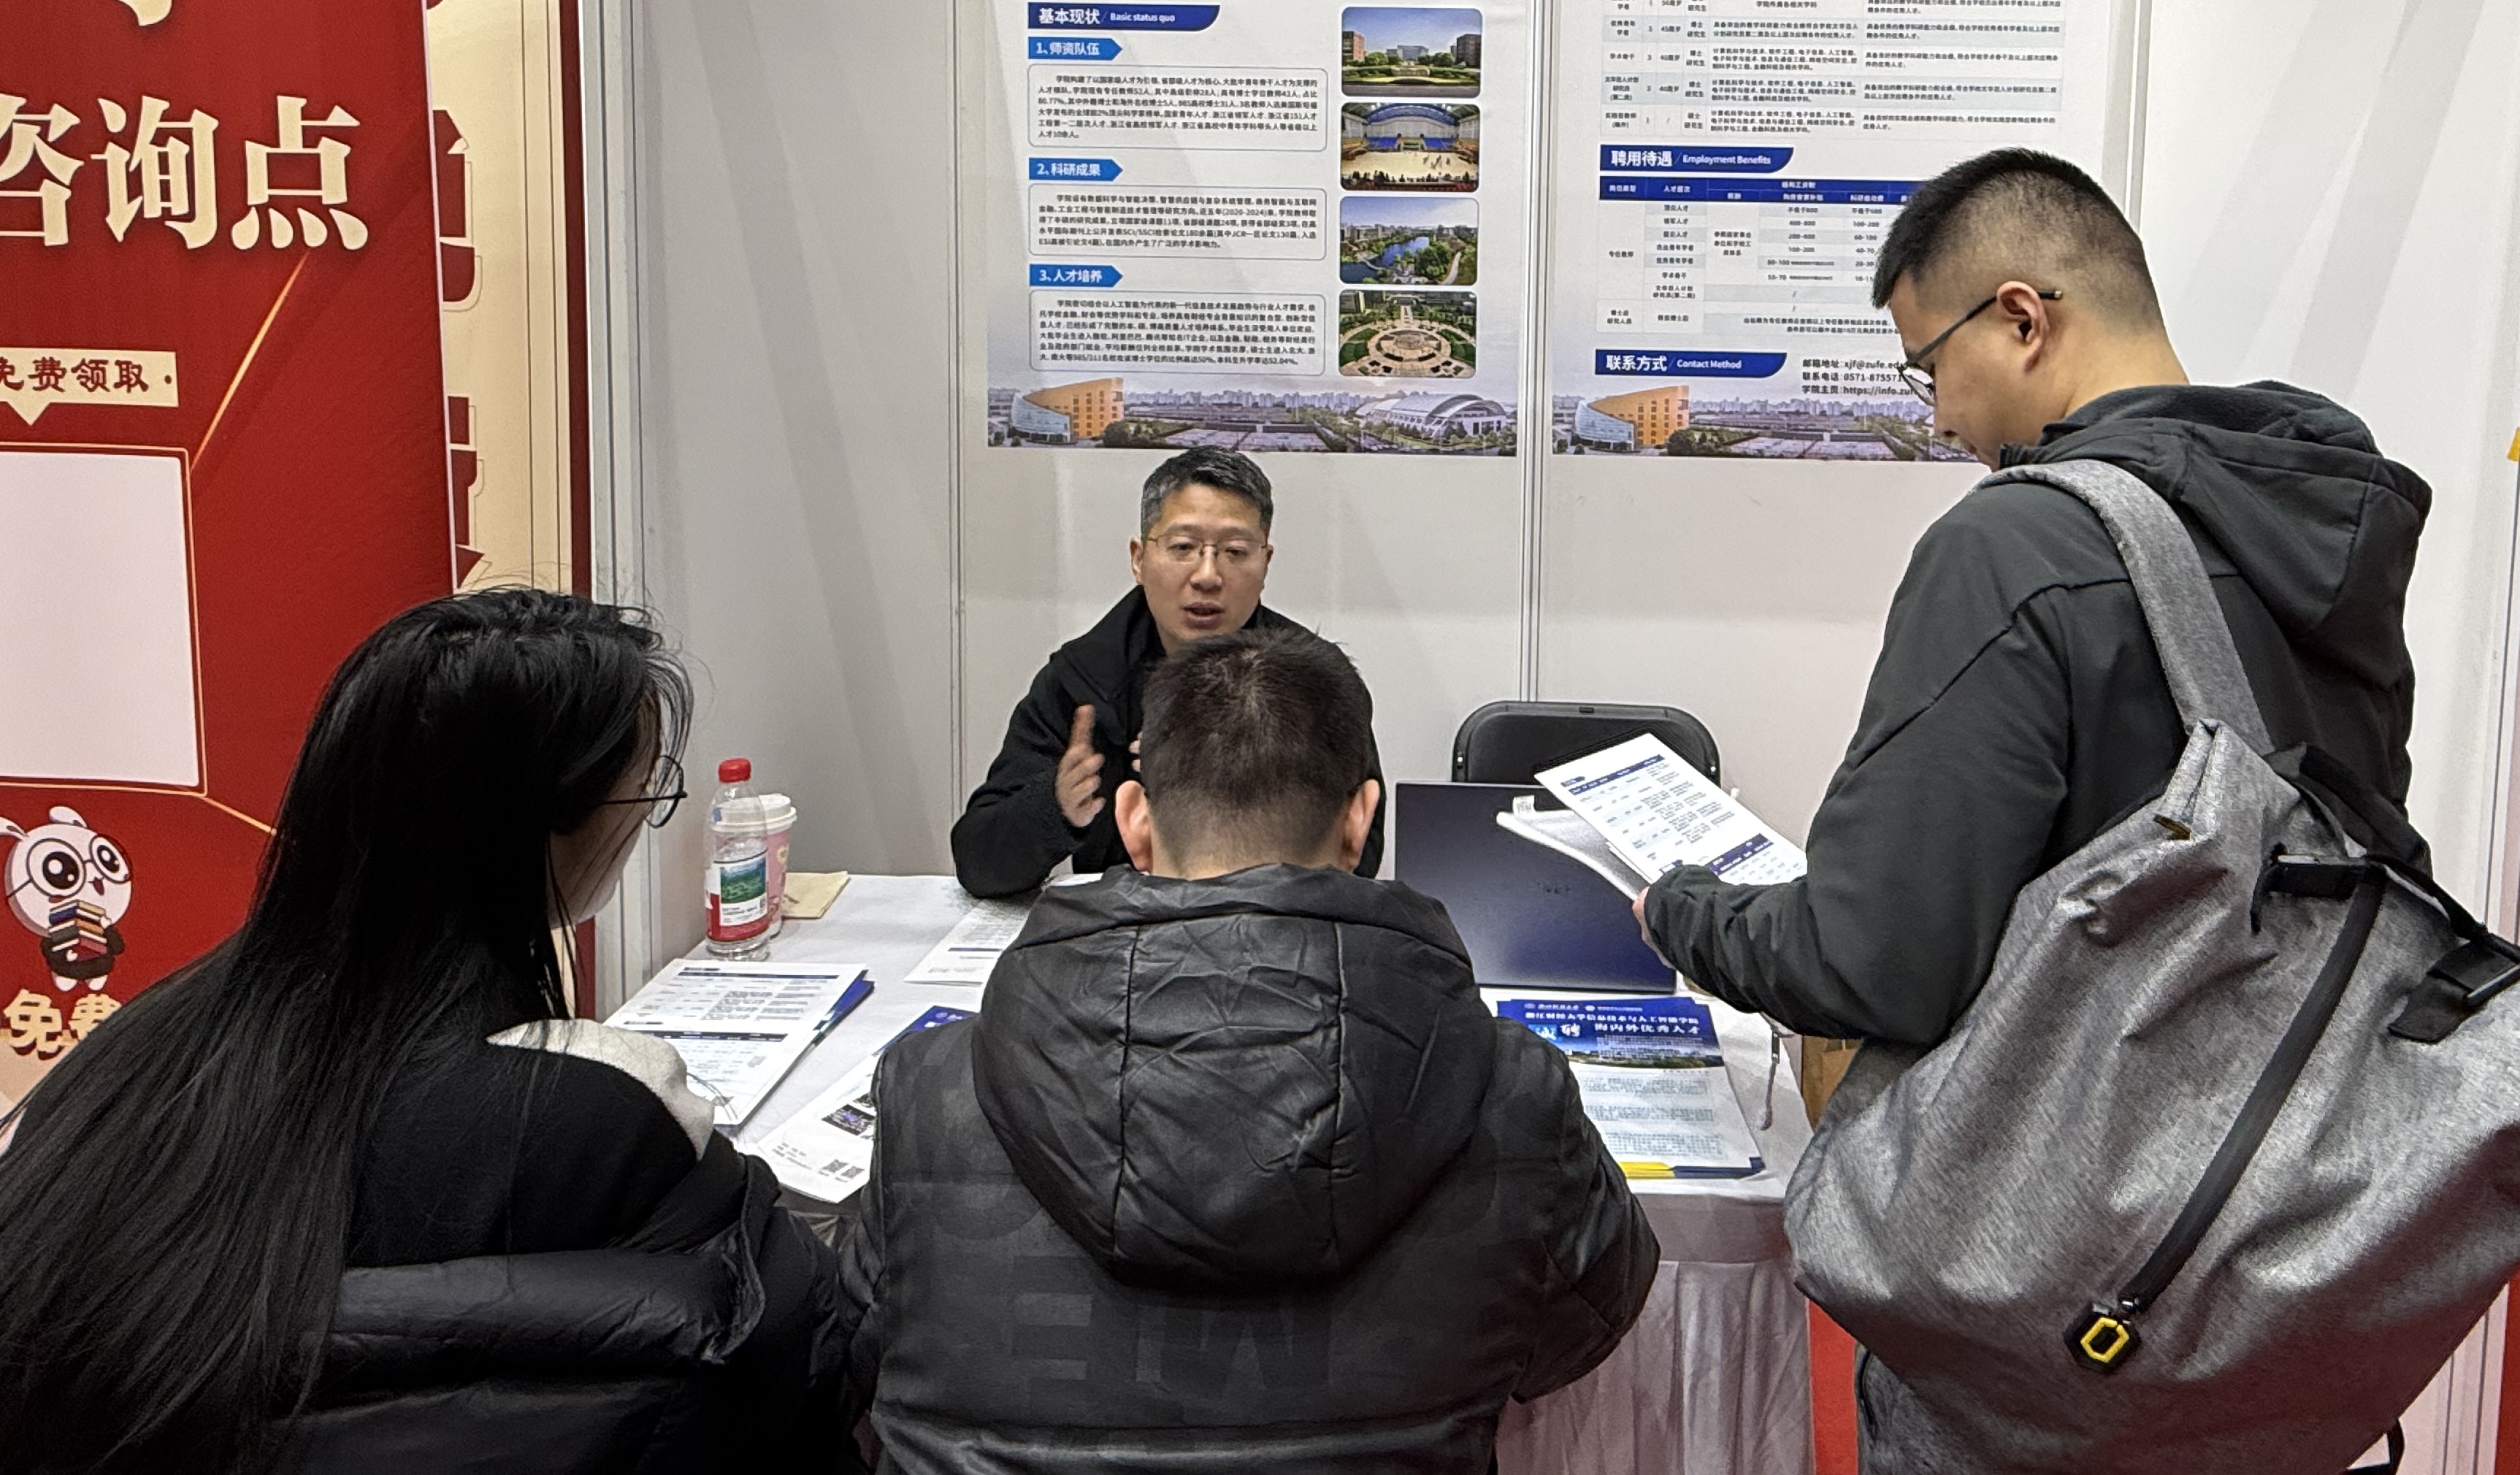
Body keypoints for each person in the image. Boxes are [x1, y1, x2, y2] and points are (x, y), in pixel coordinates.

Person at [0, 591, 845, 1475]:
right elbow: (788, 1327)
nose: (639, 818)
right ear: (548, 818)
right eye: (643, 788)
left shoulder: (133, 1053)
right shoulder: (595, 1102)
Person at [1644, 148, 2434, 1052]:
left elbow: (1875, 964)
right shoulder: (2324, 512)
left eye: (1929, 367)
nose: (1939, 418)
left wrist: (1681, 911)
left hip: (2104, 1120)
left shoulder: (2017, 546)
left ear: (2022, 319)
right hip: (2311, 1094)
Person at [846, 628, 1658, 1475]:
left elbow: (860, 1344)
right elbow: (1583, 1326)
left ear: (1135, 822)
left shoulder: (929, 1091)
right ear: (1360, 823)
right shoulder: (1513, 1091)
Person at [949, 447, 1382, 897]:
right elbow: (979, 863)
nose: (1207, 575)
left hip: (1272, 916)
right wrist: (1054, 806)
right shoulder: (1084, 680)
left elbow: (1361, 852)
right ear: (1139, 559)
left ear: (1265, 563)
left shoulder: (1314, 680)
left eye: (1235, 551)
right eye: (1183, 548)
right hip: (1126, 923)